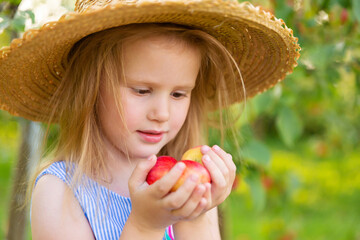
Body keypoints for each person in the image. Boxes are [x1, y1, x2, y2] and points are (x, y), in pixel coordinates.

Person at [0, 0, 300, 239]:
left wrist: (197, 213)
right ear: (90, 89)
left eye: (179, 94)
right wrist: (145, 227)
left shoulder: (179, 181)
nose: (162, 113)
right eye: (142, 90)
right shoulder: (60, 192)